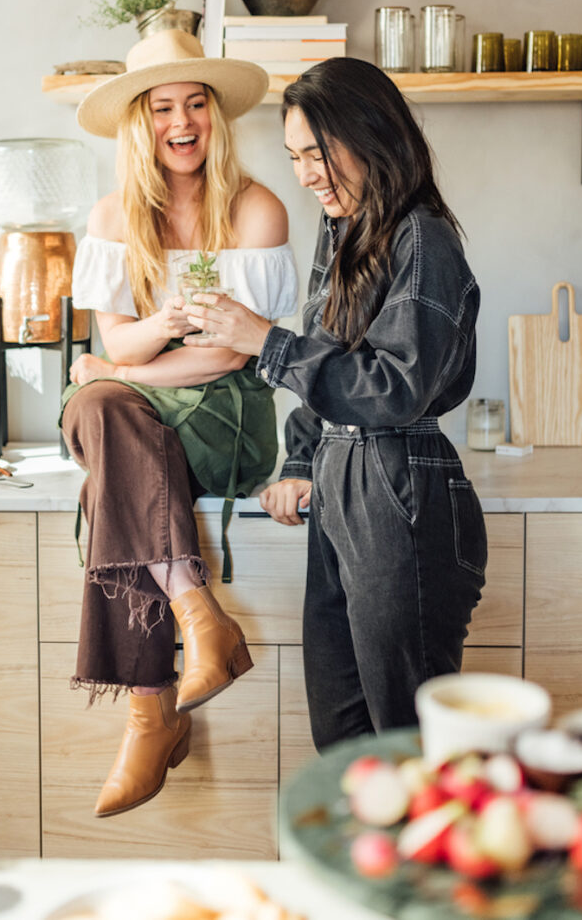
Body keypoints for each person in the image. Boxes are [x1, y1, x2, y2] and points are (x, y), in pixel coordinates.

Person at [184, 57, 487, 752]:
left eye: (317, 153)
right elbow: (333, 360)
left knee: (403, 742)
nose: (306, 174)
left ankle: (418, 863)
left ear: (374, 136)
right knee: (342, 739)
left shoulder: (422, 238)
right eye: (293, 157)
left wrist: (265, 341)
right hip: (344, 483)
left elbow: (393, 388)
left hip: (401, 486)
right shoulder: (343, 232)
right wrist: (299, 462)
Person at [61, 28, 298, 817]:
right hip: (142, 422)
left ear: (215, 116)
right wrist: (152, 332)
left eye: (195, 102)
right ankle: (198, 616)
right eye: (162, 105)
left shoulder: (256, 210)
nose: (181, 119)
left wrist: (117, 371)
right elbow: (118, 337)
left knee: (107, 441)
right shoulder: (111, 216)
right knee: (106, 417)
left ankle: (151, 716)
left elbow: (232, 355)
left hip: (223, 427)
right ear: (141, 121)